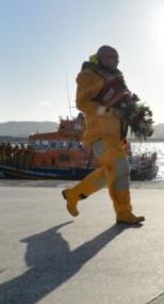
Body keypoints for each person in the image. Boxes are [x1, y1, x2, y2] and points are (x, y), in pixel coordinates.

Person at [61, 45, 145, 226]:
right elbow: (82, 103)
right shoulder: (88, 75)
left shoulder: (116, 79)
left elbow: (123, 104)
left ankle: (74, 194)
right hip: (99, 133)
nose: (115, 61)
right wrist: (109, 111)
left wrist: (134, 114)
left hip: (115, 135)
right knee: (120, 168)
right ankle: (124, 212)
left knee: (111, 171)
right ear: (100, 58)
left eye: (117, 58)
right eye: (110, 57)